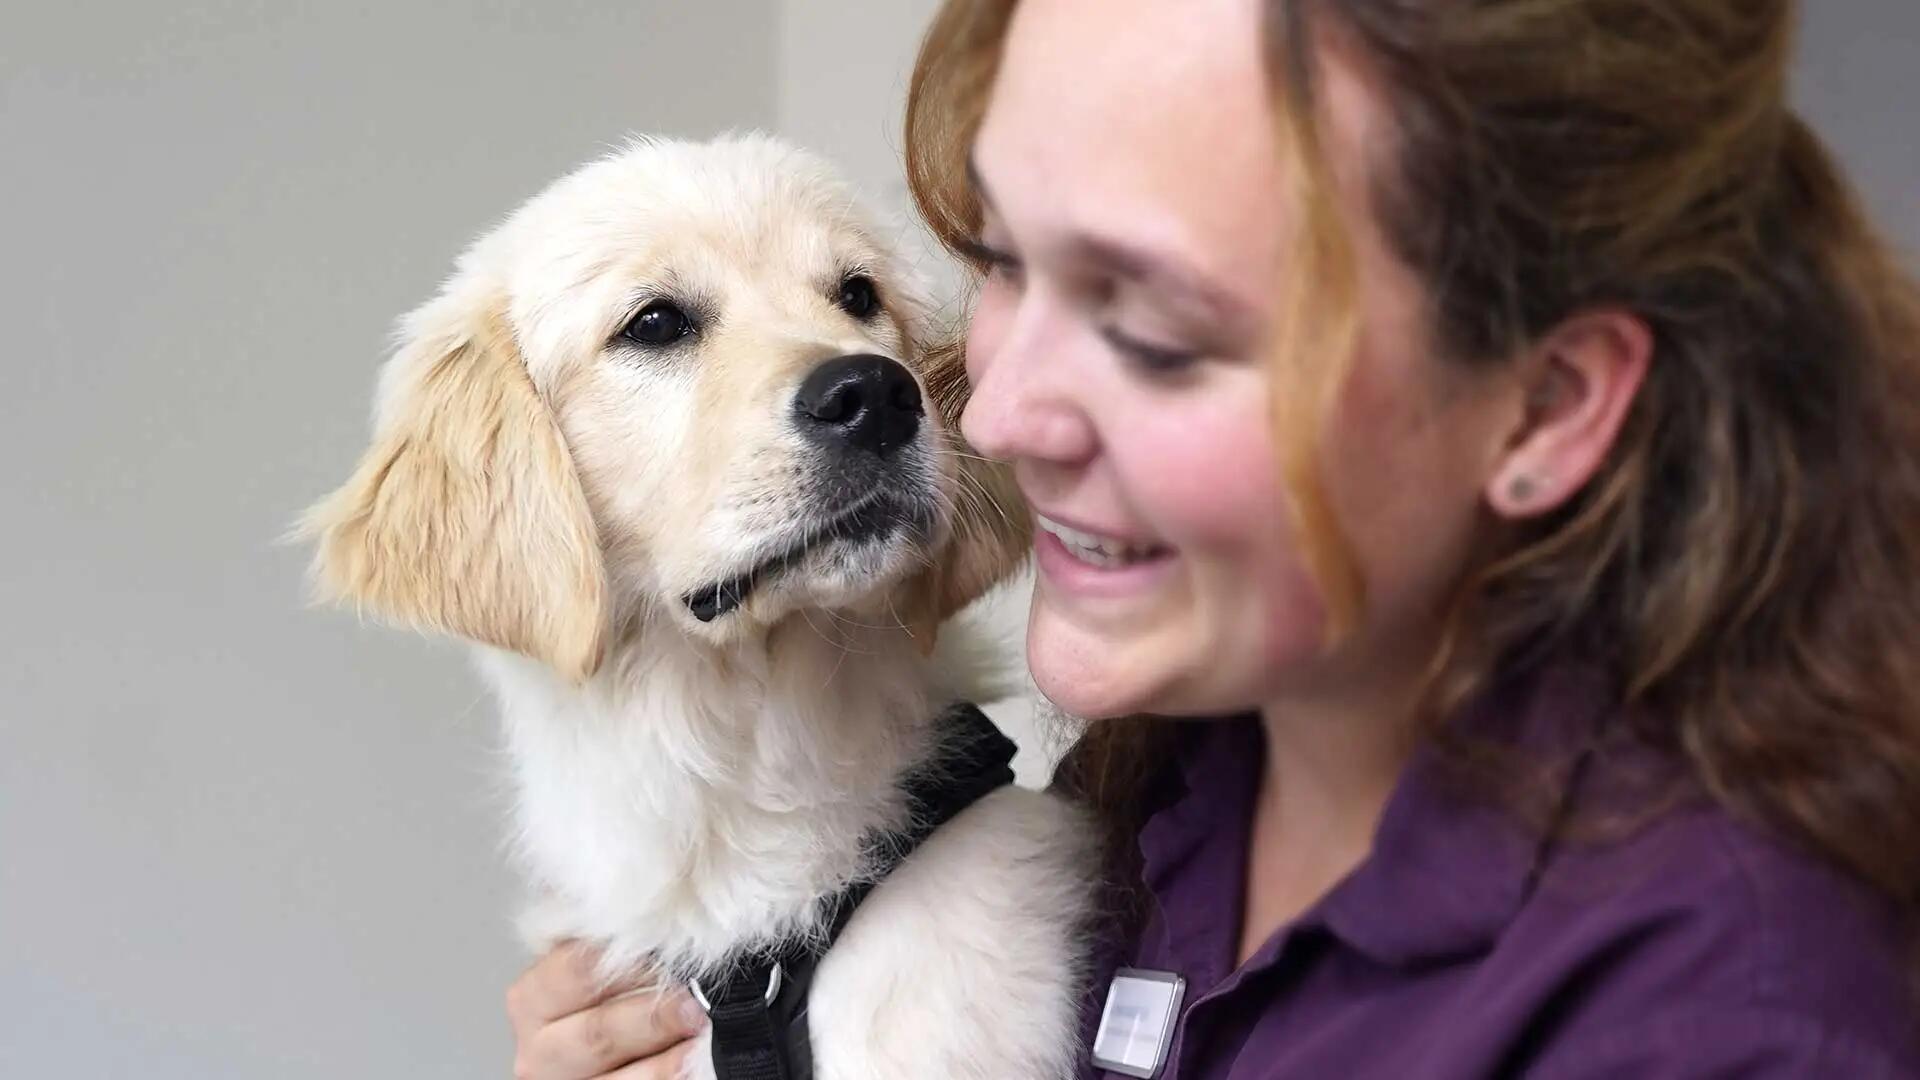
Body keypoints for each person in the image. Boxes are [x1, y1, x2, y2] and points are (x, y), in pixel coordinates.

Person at [505, 0, 1920, 1075]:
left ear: (1543, 406)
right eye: (1002, 263)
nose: (992, 412)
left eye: (1157, 331)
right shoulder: (1177, 794)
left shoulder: (1721, 1016)